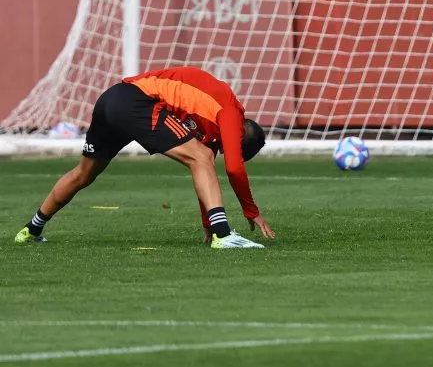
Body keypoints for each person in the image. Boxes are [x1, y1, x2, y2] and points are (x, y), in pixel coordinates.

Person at [14, 65, 276, 249]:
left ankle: (32, 229)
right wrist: (251, 211)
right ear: (240, 136)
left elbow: (204, 170)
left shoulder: (209, 121)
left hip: (111, 99)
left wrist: (207, 220)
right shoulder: (231, 113)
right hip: (136, 102)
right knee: (200, 158)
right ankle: (224, 235)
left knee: (82, 174)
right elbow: (233, 169)